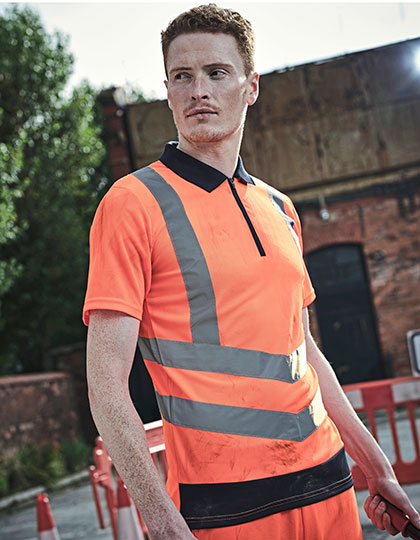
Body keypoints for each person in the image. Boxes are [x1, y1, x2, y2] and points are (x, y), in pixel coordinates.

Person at [83, 4, 420, 539]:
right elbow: (105, 387)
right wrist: (164, 524)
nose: (198, 91)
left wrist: (377, 468)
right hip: (225, 510)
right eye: (182, 76)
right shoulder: (132, 204)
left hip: (329, 486)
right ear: (167, 91)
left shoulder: (280, 208)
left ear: (251, 86)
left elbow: (305, 353)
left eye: (216, 73)